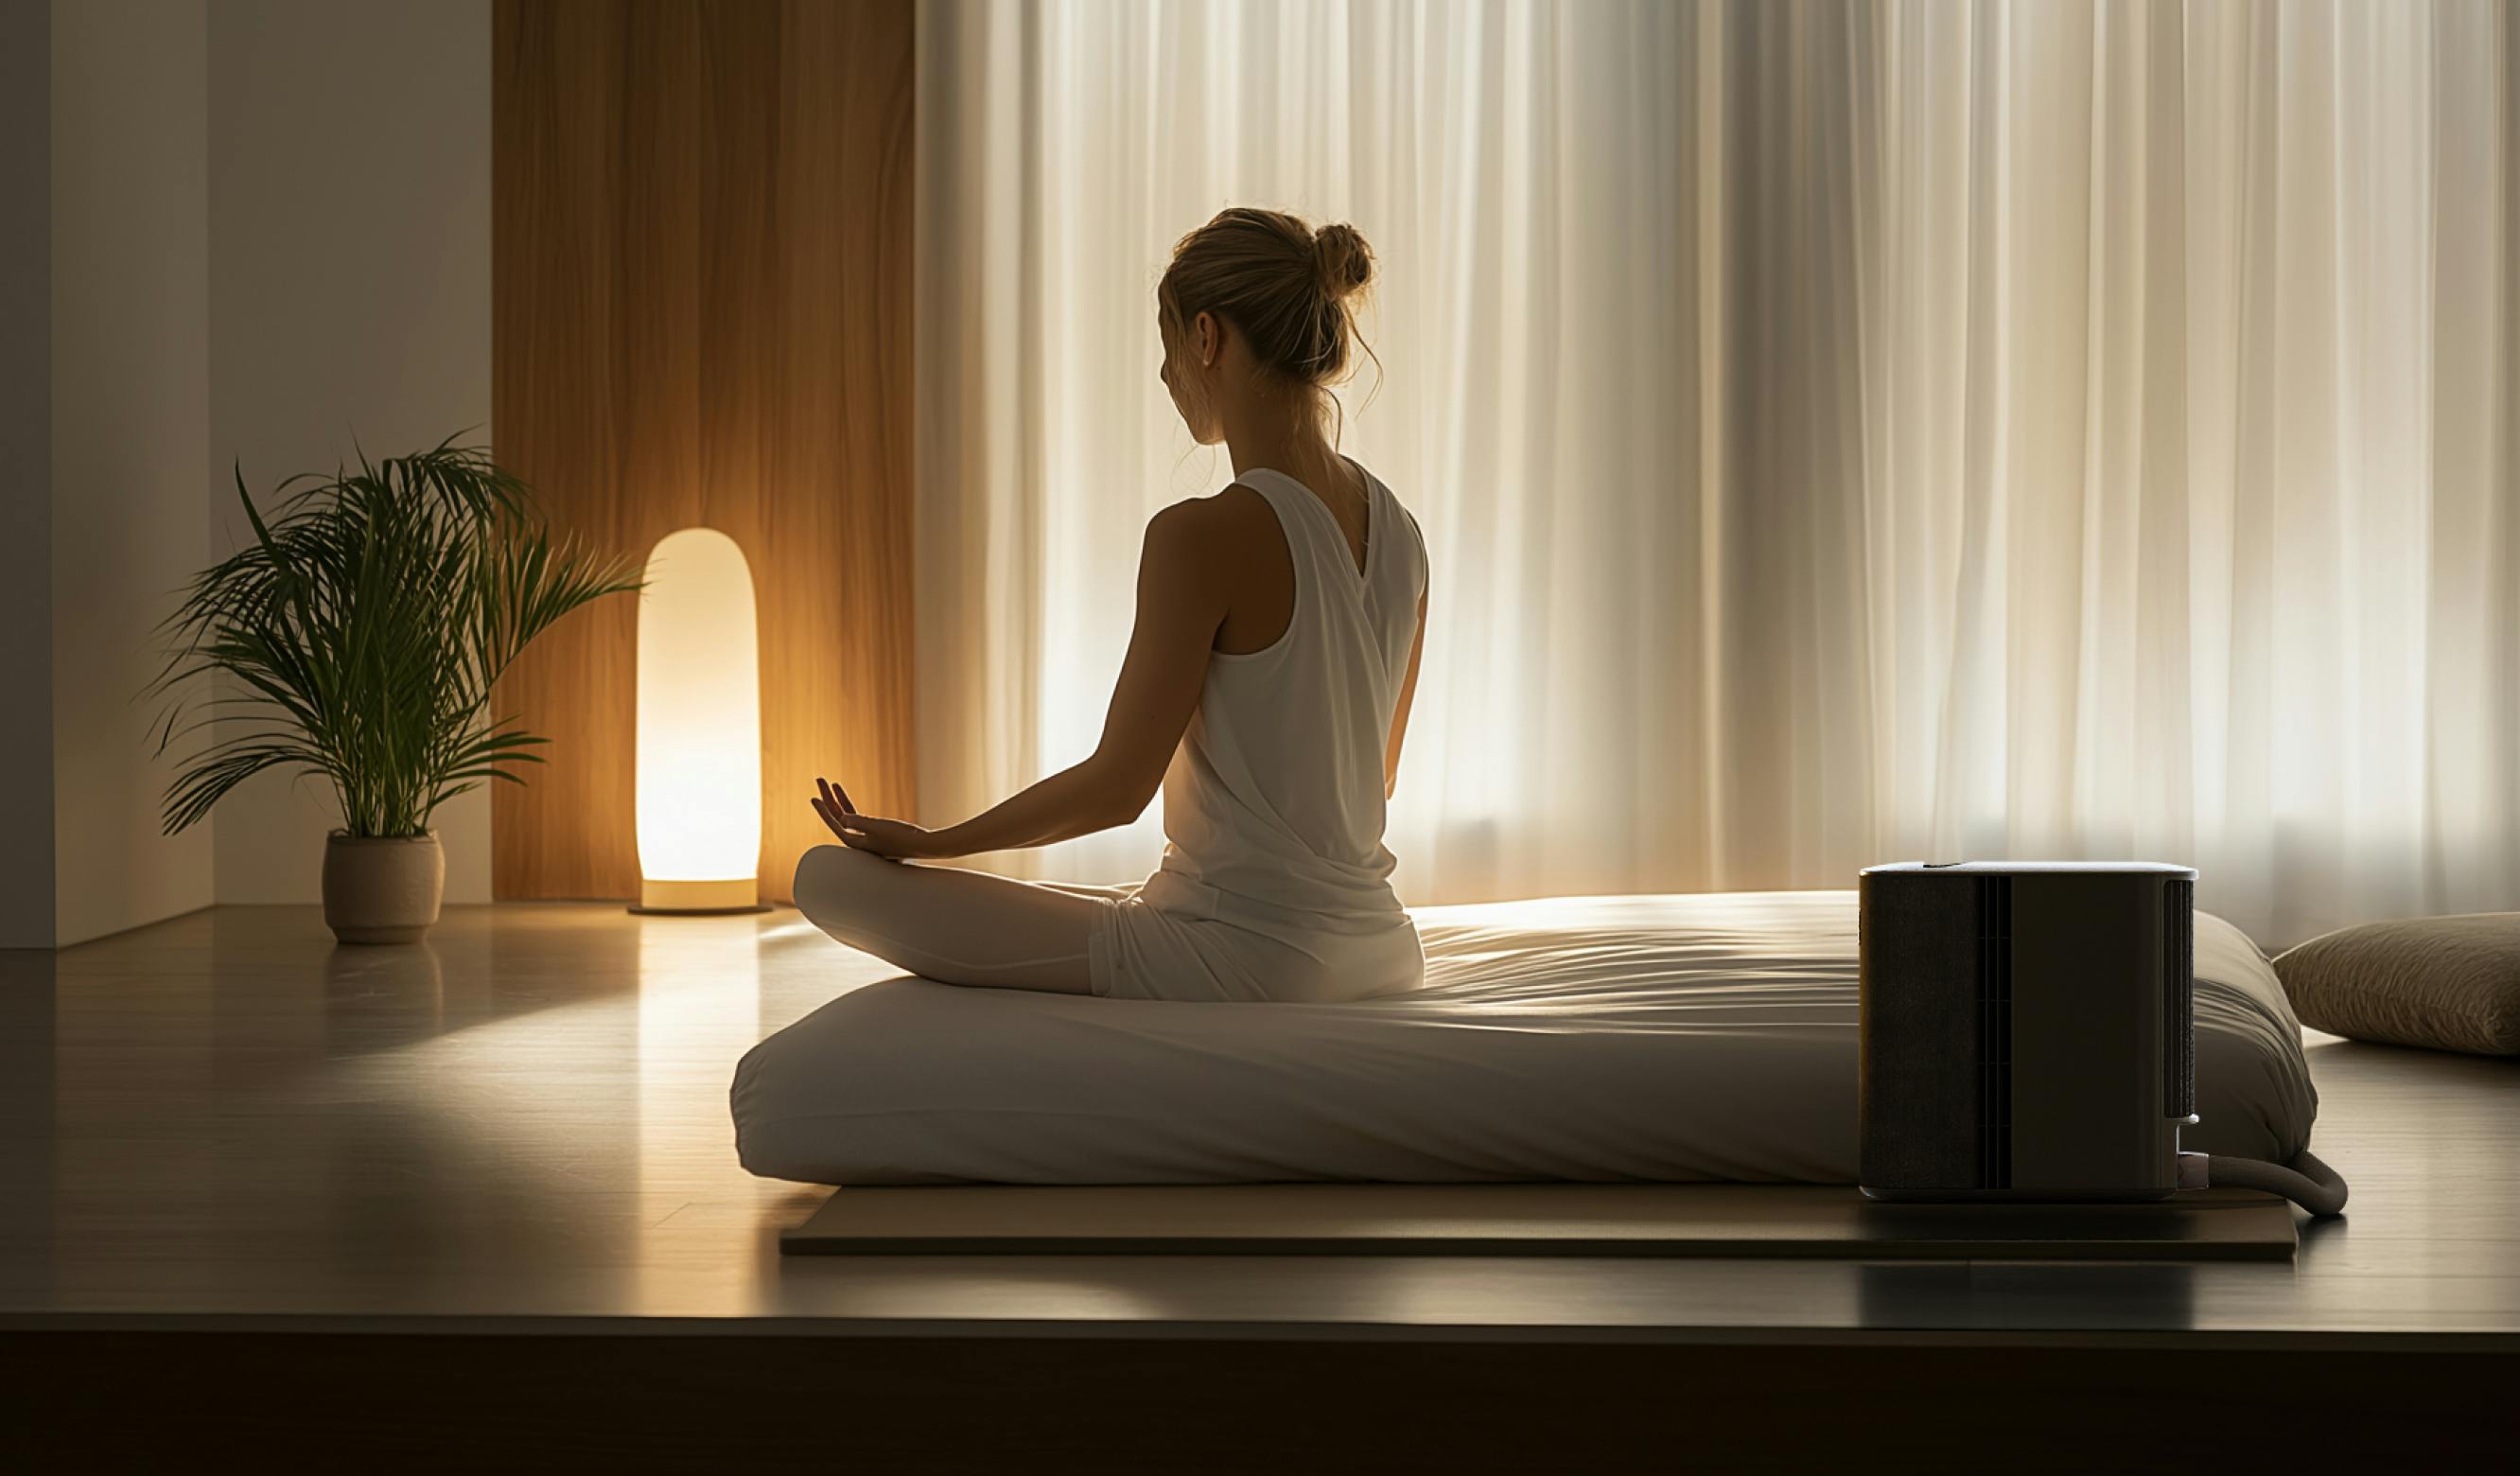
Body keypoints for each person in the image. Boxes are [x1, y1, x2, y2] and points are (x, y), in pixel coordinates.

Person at [796, 208, 1429, 1003]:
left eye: (1167, 348)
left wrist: (935, 843)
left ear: (1206, 337)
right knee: (1108, 905)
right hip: (1384, 947)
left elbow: (1116, 789)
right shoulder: (1402, 531)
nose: (1166, 377)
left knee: (825, 878)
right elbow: (1378, 779)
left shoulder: (1201, 534)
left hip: (1255, 960)